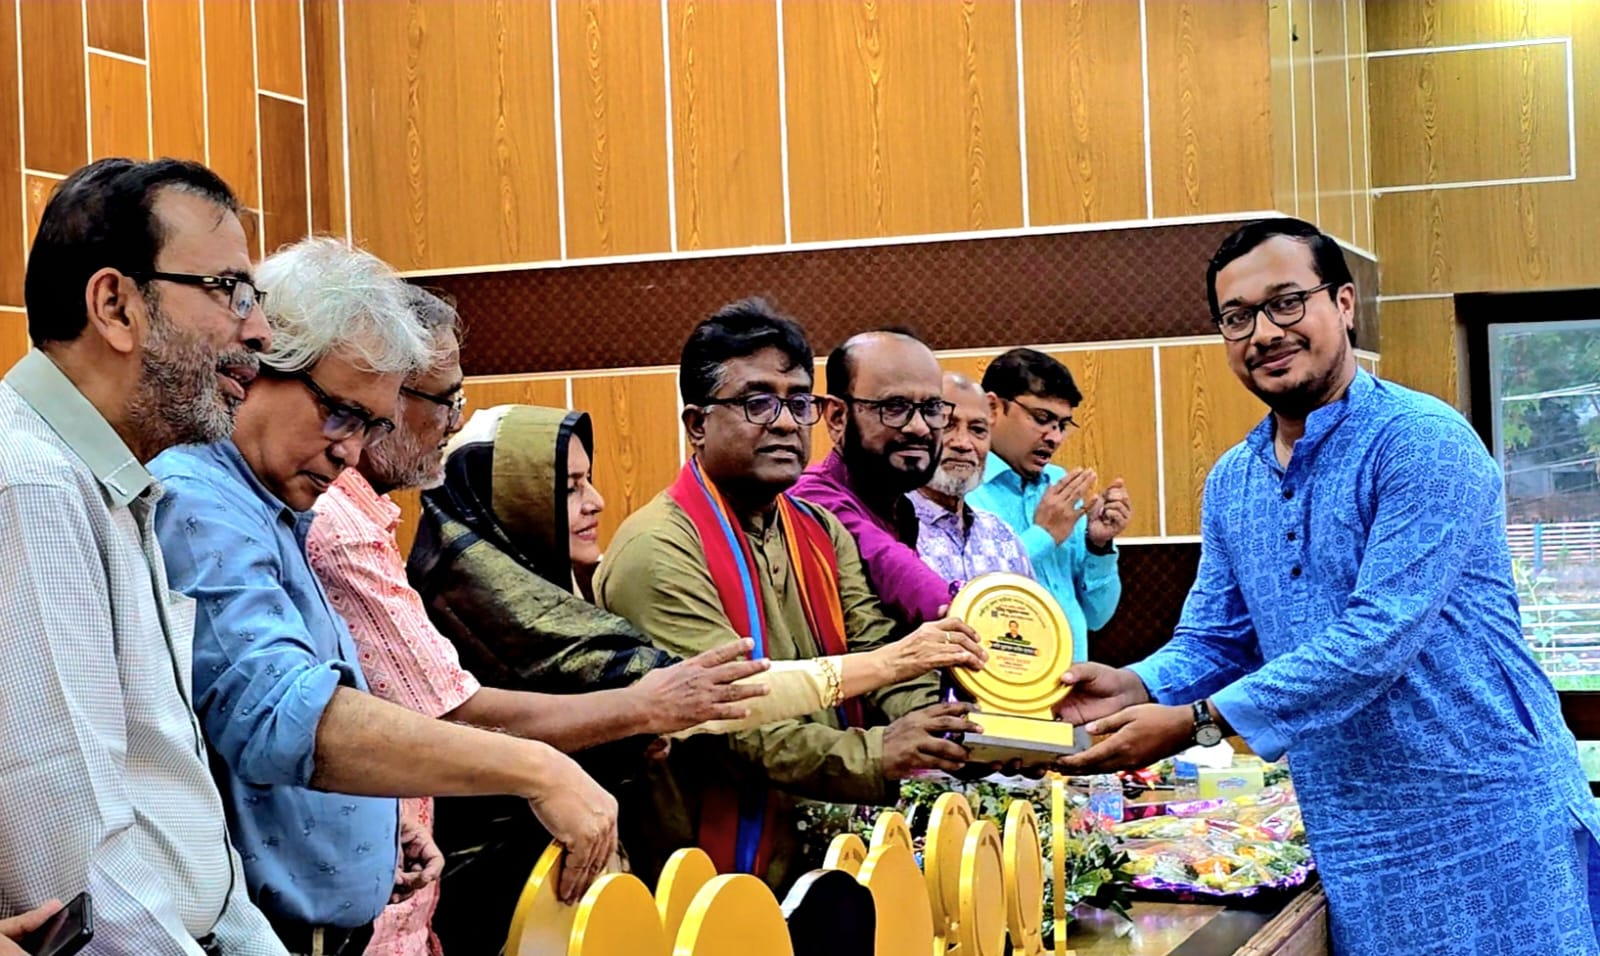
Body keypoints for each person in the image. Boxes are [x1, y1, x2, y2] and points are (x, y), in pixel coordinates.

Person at [1053, 218, 1600, 956]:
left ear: (1343, 304)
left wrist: (1198, 720)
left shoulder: (1420, 441)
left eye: (1286, 303)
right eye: (1237, 317)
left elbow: (1378, 639)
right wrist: (1138, 684)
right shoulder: (1234, 480)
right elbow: (1216, 637)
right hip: (1353, 834)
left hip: (1487, 821)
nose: (1264, 333)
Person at [150, 239, 616, 956]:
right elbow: (282, 716)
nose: (350, 451)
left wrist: (374, 819)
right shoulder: (203, 503)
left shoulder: (275, 505)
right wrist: (537, 767)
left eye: (371, 425)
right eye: (340, 413)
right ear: (260, 365)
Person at [387, 400, 987, 950]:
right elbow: (704, 701)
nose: (596, 502)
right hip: (504, 885)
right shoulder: (498, 605)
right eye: (567, 489)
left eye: (588, 480)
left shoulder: (557, 585)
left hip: (580, 871)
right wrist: (888, 666)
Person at [303, 289, 764, 956]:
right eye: (445, 401)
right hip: (475, 892)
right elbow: (454, 715)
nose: (595, 503)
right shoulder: (419, 562)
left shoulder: (381, 522)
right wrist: (635, 712)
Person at [595, 299, 988, 890]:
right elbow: (729, 719)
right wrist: (878, 752)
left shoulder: (818, 528)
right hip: (702, 880)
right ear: (697, 424)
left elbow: (877, 653)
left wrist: (955, 732)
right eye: (758, 402)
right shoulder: (657, 549)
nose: (784, 423)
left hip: (823, 857)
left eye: (799, 402)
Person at [0, 157, 286, 955]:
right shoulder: (31, 487)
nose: (258, 331)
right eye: (229, 290)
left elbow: (169, 806)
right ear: (116, 306)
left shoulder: (109, 479)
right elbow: (76, 871)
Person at [968, 349, 1129, 658]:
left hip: (1072, 678)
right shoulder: (960, 491)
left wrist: (1098, 546)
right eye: (1042, 419)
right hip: (1000, 677)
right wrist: (1043, 536)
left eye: (1063, 425)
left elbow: (1097, 616)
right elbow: (968, 598)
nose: (1054, 437)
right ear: (992, 408)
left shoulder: (1061, 486)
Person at [793, 330, 959, 624]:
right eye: (894, 406)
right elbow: (902, 576)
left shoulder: (899, 508)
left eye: (932, 408)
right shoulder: (812, 500)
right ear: (837, 417)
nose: (920, 427)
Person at [911, 371, 1032, 585]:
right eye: (947, 425)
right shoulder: (891, 531)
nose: (963, 443)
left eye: (977, 430)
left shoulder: (1002, 536)